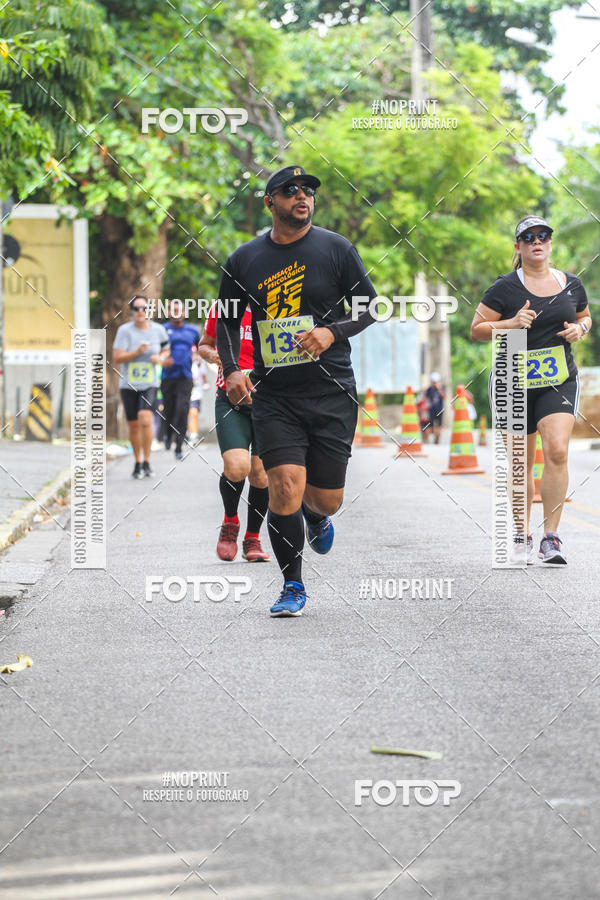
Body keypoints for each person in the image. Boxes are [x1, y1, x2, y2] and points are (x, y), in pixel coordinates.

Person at [216, 164, 378, 616]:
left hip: (331, 390)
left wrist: (332, 332)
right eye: (290, 191)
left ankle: (317, 514)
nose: (302, 196)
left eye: (307, 190)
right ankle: (292, 585)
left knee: (325, 497)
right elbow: (227, 322)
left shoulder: (336, 249)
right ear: (271, 202)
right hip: (276, 395)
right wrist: (232, 370)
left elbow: (370, 308)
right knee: (283, 485)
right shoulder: (245, 259)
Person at [471, 215, 592, 565]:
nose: (536, 241)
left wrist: (580, 330)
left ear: (551, 244)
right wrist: (510, 324)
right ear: (518, 247)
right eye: (528, 237)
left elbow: (585, 316)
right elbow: (477, 330)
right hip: (514, 381)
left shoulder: (571, 283)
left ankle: (551, 538)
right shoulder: (505, 288)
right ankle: (520, 533)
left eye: (543, 236)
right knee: (521, 461)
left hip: (558, 379)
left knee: (556, 451)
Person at [199, 301, 270, 563]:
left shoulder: (279, 304)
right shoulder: (224, 306)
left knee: (261, 475)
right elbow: (205, 344)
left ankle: (253, 538)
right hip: (231, 401)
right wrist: (214, 356)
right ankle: (230, 522)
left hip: (269, 403)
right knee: (237, 467)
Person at [113, 295, 170, 478]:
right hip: (128, 384)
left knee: (145, 419)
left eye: (144, 308)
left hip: (150, 384)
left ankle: (147, 460)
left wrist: (159, 358)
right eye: (136, 308)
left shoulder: (159, 330)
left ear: (149, 310)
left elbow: (166, 349)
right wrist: (136, 352)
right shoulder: (124, 331)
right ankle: (137, 461)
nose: (140, 312)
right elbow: (117, 358)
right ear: (131, 311)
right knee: (134, 425)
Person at [161, 299, 200, 460]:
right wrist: (163, 360)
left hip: (185, 377)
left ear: (184, 313)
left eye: (180, 310)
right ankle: (167, 433)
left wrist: (197, 356)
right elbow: (154, 350)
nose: (177, 313)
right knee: (169, 409)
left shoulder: (192, 331)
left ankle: (179, 445)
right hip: (168, 377)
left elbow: (199, 348)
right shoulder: (162, 329)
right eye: (174, 310)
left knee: (182, 409)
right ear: (169, 313)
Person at [187, 356, 208, 446]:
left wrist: (205, 384)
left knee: (194, 413)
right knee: (186, 413)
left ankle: (194, 436)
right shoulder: (184, 362)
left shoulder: (199, 364)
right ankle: (188, 433)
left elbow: (204, 377)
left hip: (196, 393)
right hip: (184, 391)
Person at [425, 373, 445, 444]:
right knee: (430, 426)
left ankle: (437, 441)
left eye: (435, 382)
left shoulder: (441, 387)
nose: (434, 383)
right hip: (431, 410)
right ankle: (429, 440)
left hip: (439, 409)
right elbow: (426, 399)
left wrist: (439, 389)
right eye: (433, 382)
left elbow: (444, 397)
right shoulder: (429, 389)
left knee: (439, 426)